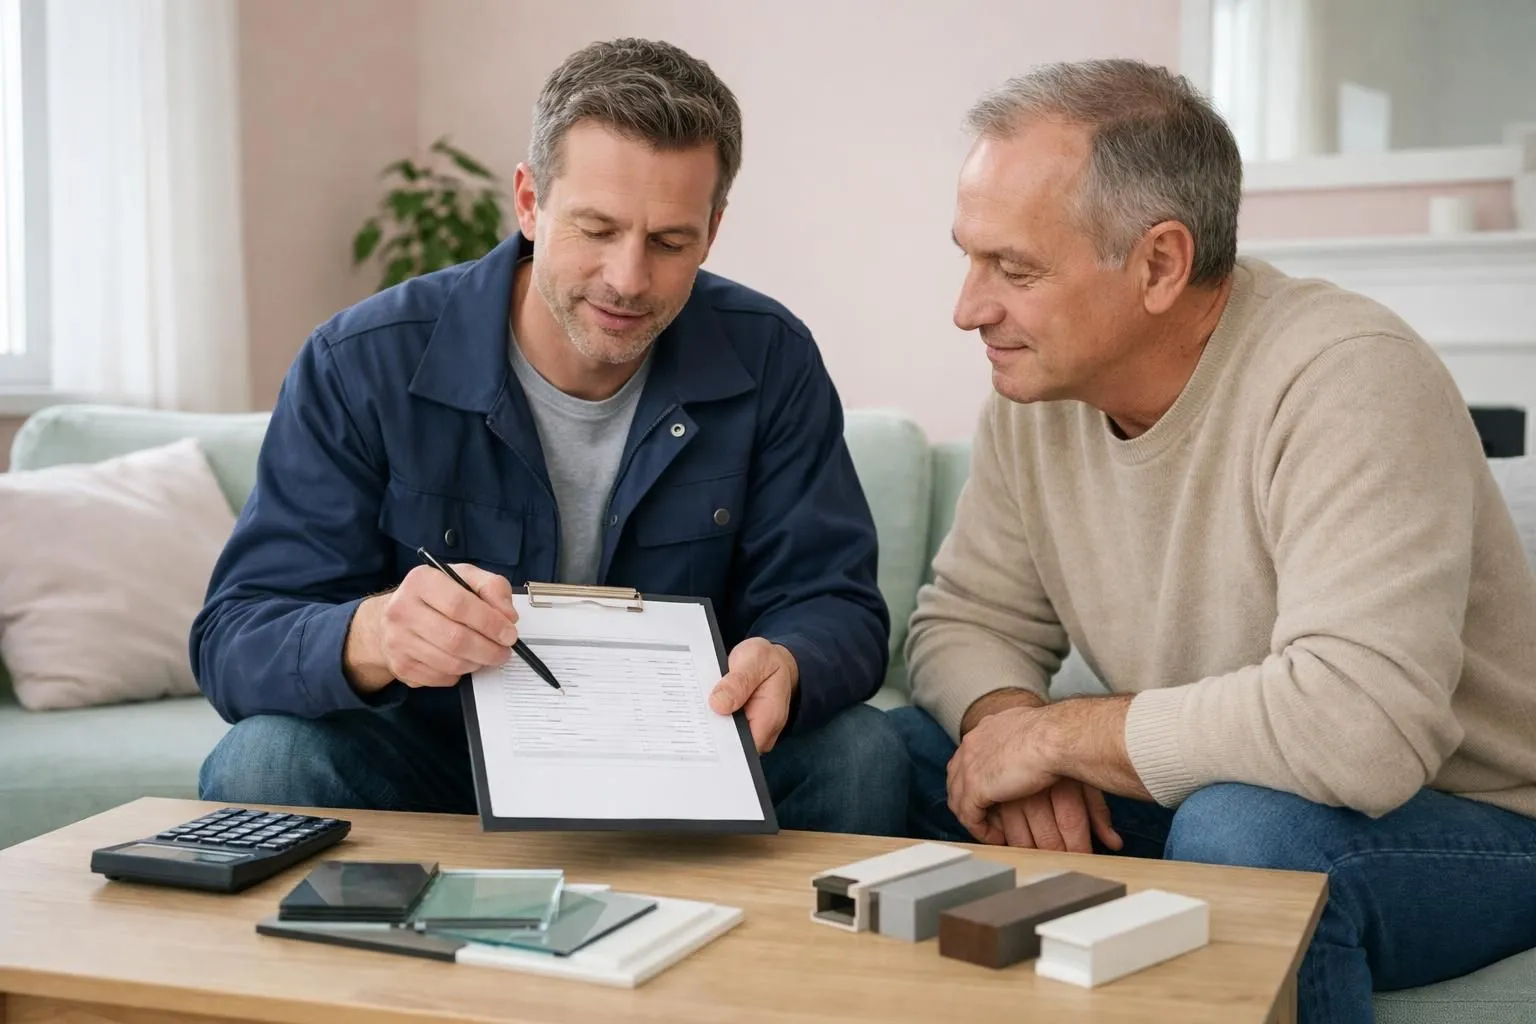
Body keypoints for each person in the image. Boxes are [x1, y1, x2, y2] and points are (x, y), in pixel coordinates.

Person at [890, 58, 1536, 1022]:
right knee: (875, 755)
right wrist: (1002, 729)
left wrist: (1059, 735)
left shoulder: (1348, 379)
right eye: (970, 258)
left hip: (1459, 821)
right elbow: (961, 621)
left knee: (1245, 834)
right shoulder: (1036, 397)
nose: (968, 307)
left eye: (1014, 270)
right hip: (1202, 794)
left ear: (1159, 263)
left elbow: (1359, 732)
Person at [192, 37, 906, 836]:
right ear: (529, 202)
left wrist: (790, 661)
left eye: (670, 242)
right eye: (596, 229)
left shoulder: (771, 356)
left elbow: (837, 604)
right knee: (263, 763)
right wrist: (372, 636)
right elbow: (235, 635)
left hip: (688, 757)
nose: (628, 279)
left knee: (862, 753)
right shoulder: (360, 362)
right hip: (438, 758)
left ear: (712, 231)